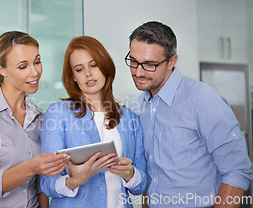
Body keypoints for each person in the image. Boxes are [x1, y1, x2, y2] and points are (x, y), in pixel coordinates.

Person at [126, 21, 253, 208]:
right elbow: (152, 174)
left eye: (149, 64)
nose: (138, 72)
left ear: (171, 62)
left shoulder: (203, 100)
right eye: (134, 61)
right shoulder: (140, 106)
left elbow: (238, 171)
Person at [0, 31, 70, 208]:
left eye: (37, 62)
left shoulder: (40, 117)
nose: (35, 72)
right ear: (1, 69)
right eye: (23, 66)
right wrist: (31, 167)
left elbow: (40, 186)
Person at [40, 36, 148, 208]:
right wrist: (75, 180)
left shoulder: (130, 117)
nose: (88, 74)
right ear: (73, 76)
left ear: (104, 66)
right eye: (79, 69)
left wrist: (130, 173)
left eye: (93, 65)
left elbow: (141, 186)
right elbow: (47, 185)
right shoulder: (58, 113)